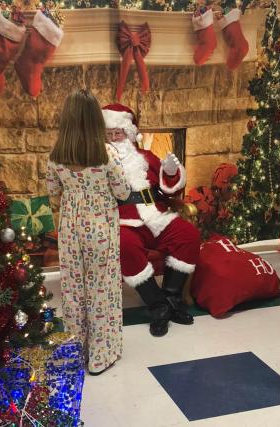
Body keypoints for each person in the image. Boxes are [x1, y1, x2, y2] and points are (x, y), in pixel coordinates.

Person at [46, 89, 131, 375]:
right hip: (101, 229)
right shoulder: (107, 154)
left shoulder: (56, 155)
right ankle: (100, 355)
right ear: (96, 119)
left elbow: (53, 193)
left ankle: (75, 352)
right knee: (102, 290)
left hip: (70, 228)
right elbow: (123, 192)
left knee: (72, 290)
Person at [101, 103, 201, 337]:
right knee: (124, 244)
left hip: (155, 216)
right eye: (110, 134)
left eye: (120, 133)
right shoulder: (100, 163)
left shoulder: (146, 158)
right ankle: (157, 305)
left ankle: (172, 298)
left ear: (130, 133)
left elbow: (170, 193)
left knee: (188, 234)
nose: (115, 138)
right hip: (123, 220)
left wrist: (169, 172)